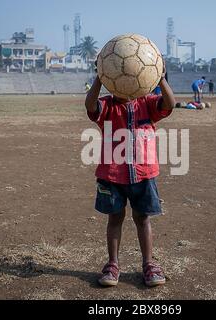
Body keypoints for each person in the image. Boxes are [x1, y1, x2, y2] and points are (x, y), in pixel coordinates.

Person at [85, 62, 176, 288]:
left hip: (144, 174)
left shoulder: (148, 103)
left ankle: (149, 263)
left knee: (142, 218)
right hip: (112, 174)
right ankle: (113, 264)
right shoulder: (107, 106)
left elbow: (170, 104)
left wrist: (160, 78)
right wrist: (100, 76)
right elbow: (89, 105)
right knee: (115, 218)